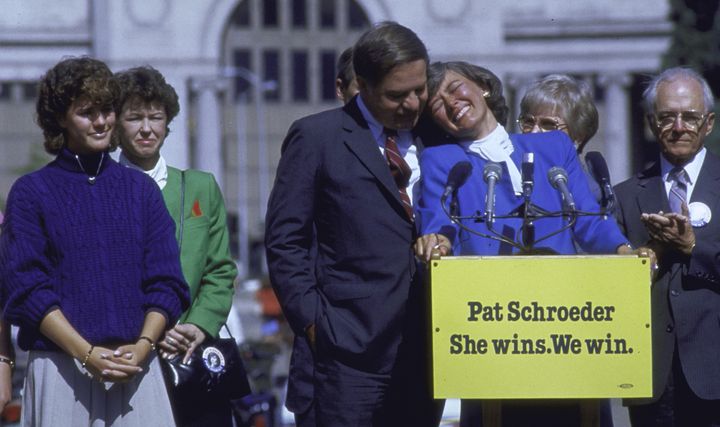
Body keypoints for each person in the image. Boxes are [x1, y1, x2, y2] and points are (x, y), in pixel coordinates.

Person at [415, 61, 638, 426]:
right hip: (493, 336)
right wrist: (436, 241)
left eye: (455, 88)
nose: (451, 102)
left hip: (564, 328)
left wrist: (624, 252)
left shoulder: (553, 147)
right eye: (438, 104)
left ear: (483, 87)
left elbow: (586, 220)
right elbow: (439, 221)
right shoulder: (442, 161)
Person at [265, 21, 440, 427]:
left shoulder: (437, 135)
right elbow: (284, 240)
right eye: (397, 95)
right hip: (347, 353)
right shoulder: (317, 137)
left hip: (426, 348)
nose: (413, 104)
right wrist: (314, 324)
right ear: (362, 85)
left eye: (420, 89)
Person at [0, 56, 190, 426]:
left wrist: (142, 346)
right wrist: (86, 354)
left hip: (138, 368)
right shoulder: (31, 192)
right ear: (60, 118)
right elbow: (27, 288)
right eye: (88, 112)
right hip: (61, 369)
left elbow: (166, 281)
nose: (102, 121)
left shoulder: (141, 191)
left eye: (107, 110)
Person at [114, 66, 237, 427]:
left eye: (156, 117)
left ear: (169, 123)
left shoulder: (198, 187)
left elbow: (220, 270)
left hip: (190, 351)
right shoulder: (101, 188)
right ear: (117, 124)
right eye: (134, 117)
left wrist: (198, 325)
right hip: (127, 351)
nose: (147, 128)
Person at [614, 67, 720, 426]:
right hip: (651, 378)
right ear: (649, 122)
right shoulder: (625, 195)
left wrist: (693, 246)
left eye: (689, 117)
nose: (678, 127)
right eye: (666, 117)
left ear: (708, 123)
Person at [518, 74, 609, 205]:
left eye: (548, 124)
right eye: (528, 122)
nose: (534, 131)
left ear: (578, 136)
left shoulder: (587, 191)